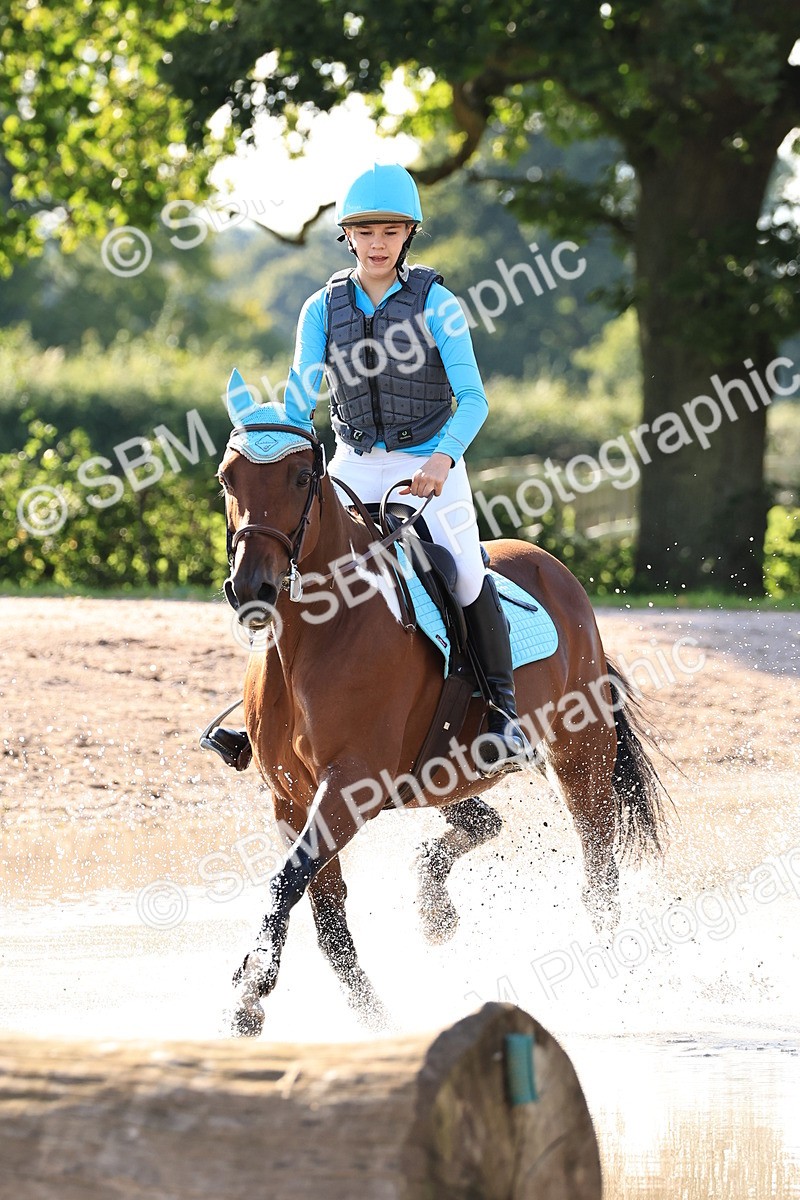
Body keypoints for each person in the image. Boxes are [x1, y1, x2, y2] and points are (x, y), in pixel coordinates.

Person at [204, 163, 533, 775]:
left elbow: (476, 399)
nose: (377, 244)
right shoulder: (321, 308)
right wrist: (275, 436)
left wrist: (441, 460)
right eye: (365, 232)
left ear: (408, 235)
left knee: (462, 573)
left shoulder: (439, 305)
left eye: (390, 232)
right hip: (352, 462)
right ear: (347, 236)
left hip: (430, 461)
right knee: (295, 561)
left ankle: (502, 714)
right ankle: (260, 716)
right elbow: (303, 398)